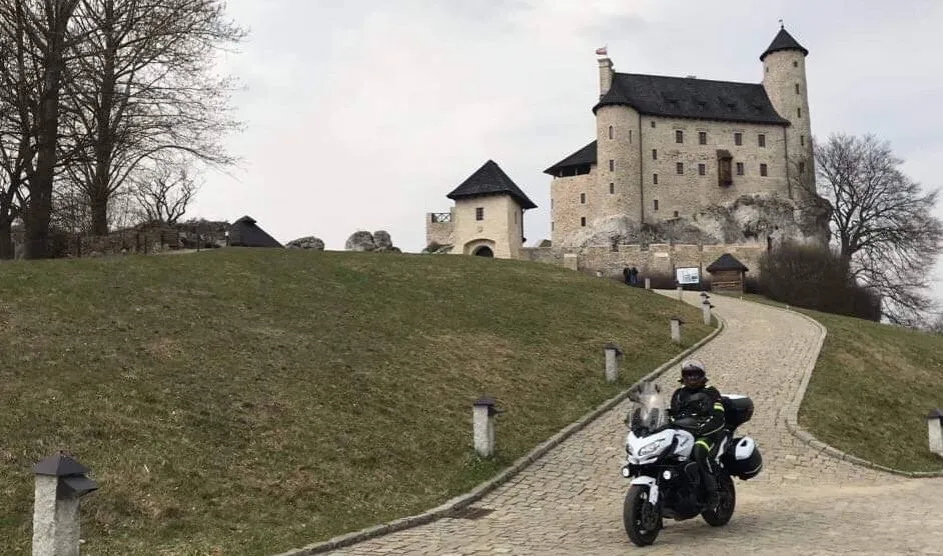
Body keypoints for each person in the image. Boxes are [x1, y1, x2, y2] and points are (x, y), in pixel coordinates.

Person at [668, 359, 726, 508]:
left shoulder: (711, 392)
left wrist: (702, 429)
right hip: (683, 434)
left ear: (702, 376)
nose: (692, 378)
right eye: (688, 374)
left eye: (695, 374)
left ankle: (713, 491)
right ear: (683, 376)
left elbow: (718, 417)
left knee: (699, 450)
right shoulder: (679, 394)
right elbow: (672, 413)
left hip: (707, 435)